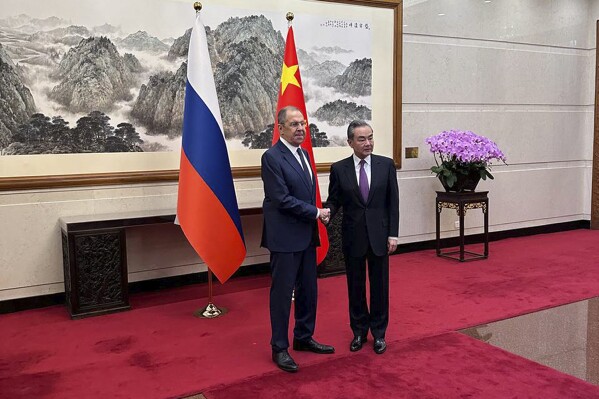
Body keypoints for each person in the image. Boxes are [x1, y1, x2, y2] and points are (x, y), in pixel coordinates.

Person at [261, 105, 335, 373]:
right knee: (282, 295)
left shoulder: (304, 154)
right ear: (280, 128)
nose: (300, 129)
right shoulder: (271, 157)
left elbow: (304, 194)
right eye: (294, 124)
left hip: (306, 236)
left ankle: (303, 337)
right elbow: (280, 198)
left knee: (309, 291)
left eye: (303, 123)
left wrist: (317, 213)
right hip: (284, 238)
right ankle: (279, 347)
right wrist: (316, 212)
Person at [325, 120, 399, 354]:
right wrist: (325, 212)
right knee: (355, 287)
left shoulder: (386, 165)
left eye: (370, 138)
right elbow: (335, 200)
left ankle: (379, 334)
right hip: (353, 236)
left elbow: (392, 203)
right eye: (361, 139)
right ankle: (358, 331)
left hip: (379, 236)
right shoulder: (339, 169)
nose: (368, 143)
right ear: (350, 142)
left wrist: (393, 234)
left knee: (380, 287)